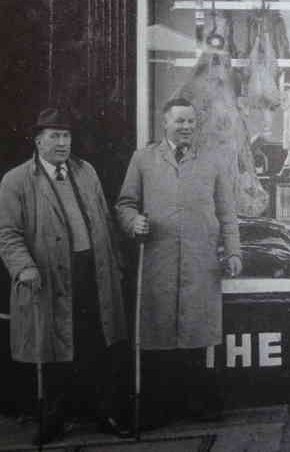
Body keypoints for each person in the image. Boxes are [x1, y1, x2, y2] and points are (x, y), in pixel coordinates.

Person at [0, 107, 131, 445]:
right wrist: (23, 266)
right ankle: (53, 420)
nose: (62, 143)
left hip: (93, 274)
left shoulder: (86, 171)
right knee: (54, 350)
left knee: (99, 346)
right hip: (50, 278)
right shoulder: (16, 180)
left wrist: (115, 264)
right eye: (55, 136)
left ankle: (106, 414)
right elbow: (7, 233)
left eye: (66, 135)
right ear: (38, 140)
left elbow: (105, 220)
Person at [116, 97, 242, 426]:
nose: (186, 127)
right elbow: (124, 204)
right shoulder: (143, 159)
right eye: (179, 121)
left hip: (200, 262)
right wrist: (133, 222)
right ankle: (158, 409)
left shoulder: (212, 161)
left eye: (190, 121)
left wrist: (233, 252)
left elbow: (228, 213)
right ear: (165, 124)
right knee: (158, 334)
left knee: (196, 335)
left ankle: (198, 406)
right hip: (158, 260)